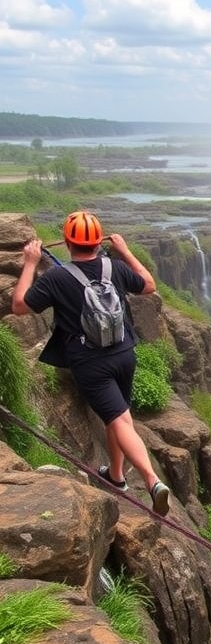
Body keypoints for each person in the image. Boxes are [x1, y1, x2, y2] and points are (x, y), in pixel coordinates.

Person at [12, 211, 172, 516]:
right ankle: (116, 475)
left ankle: (152, 481)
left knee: (119, 420)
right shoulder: (116, 268)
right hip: (124, 353)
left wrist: (31, 262)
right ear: (99, 243)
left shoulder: (58, 277)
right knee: (119, 414)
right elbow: (149, 285)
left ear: (68, 244)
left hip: (90, 362)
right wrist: (124, 251)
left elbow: (19, 306)